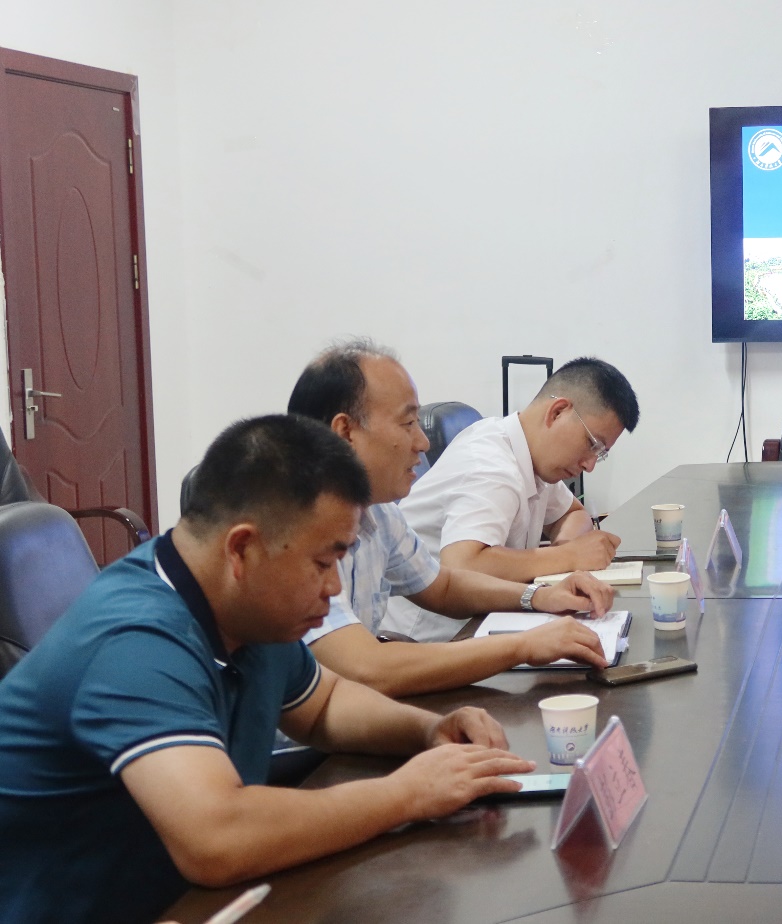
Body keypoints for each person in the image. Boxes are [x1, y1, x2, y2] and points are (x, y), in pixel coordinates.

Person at [0, 416, 538, 924]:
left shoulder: (243, 606)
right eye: (323, 563)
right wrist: (408, 793)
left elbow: (323, 704)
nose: (334, 587)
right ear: (242, 548)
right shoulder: (135, 640)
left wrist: (426, 731)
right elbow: (216, 840)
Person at [287, 340, 615, 696]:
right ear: (345, 433)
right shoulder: (291, 533)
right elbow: (366, 669)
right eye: (408, 423)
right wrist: (523, 644)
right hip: (393, 668)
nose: (423, 443)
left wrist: (538, 597)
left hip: (369, 691)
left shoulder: (378, 512)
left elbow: (441, 585)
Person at [384, 357, 640, 643]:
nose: (590, 465)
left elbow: (573, 513)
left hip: (488, 621)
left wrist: (565, 550)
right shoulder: (489, 466)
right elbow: (462, 566)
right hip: (434, 640)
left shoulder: (530, 454)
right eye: (592, 444)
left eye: (600, 453)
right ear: (557, 412)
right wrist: (566, 557)